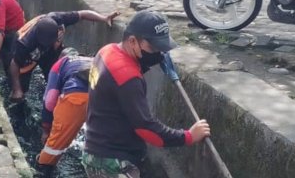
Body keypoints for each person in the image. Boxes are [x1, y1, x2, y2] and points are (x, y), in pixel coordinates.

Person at [83, 11, 211, 178]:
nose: (158, 53)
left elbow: (116, 84)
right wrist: (188, 136)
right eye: (154, 48)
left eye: (162, 49)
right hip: (112, 162)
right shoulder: (128, 78)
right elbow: (147, 129)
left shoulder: (107, 51)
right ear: (132, 41)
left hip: (96, 148)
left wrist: (150, 61)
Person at [8, 10, 120, 102]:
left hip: (49, 53)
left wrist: (104, 18)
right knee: (19, 93)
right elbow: (14, 63)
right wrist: (17, 89)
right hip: (27, 60)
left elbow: (82, 14)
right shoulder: (24, 43)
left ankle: (56, 95)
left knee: (55, 78)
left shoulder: (57, 18)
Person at [36, 48, 92, 177]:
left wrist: (46, 129)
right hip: (108, 95)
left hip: (78, 95)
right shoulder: (90, 60)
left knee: (53, 147)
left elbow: (49, 101)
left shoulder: (59, 64)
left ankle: (42, 170)